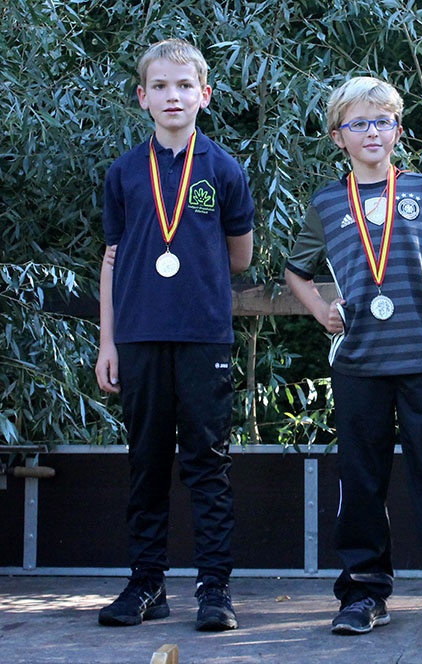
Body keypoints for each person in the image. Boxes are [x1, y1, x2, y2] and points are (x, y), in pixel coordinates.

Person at [283, 76, 422, 638]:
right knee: (360, 481)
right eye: (358, 123)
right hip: (358, 362)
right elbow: (295, 271)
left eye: (382, 121)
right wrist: (321, 311)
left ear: (398, 131)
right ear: (338, 137)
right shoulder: (327, 203)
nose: (372, 132)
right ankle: (363, 594)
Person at [95, 39, 254, 631]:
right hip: (138, 337)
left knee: (208, 463)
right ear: (142, 97)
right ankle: (146, 584)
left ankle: (214, 589)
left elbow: (240, 256)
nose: (173, 96)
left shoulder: (223, 169)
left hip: (203, 336)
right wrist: (108, 341)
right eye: (160, 86)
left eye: (184, 86)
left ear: (204, 96)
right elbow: (112, 259)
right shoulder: (124, 172)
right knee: (147, 461)